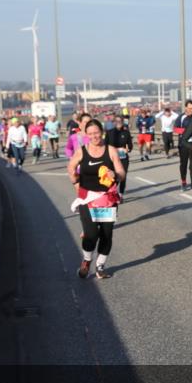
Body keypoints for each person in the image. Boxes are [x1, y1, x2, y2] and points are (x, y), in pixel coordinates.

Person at [68, 119, 124, 279]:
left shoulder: (111, 150)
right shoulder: (82, 151)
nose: (94, 136)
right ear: (86, 135)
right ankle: (87, 260)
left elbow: (121, 172)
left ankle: (100, 265)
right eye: (91, 133)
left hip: (108, 198)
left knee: (107, 234)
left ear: (102, 132)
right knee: (91, 234)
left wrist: (116, 175)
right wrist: (76, 183)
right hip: (88, 199)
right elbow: (71, 167)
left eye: (97, 133)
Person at [106, 115, 133, 196]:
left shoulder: (126, 132)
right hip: (112, 158)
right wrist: (115, 150)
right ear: (114, 122)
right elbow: (104, 146)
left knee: (123, 176)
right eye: (117, 121)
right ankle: (111, 191)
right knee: (114, 176)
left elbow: (130, 146)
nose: (119, 123)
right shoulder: (109, 132)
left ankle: (120, 194)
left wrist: (127, 149)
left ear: (122, 122)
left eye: (120, 121)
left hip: (123, 158)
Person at [175, 100, 192, 191]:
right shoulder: (181, 117)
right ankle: (183, 182)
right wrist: (187, 132)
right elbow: (176, 129)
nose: (191, 110)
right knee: (183, 164)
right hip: (183, 144)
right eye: (189, 108)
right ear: (185, 108)